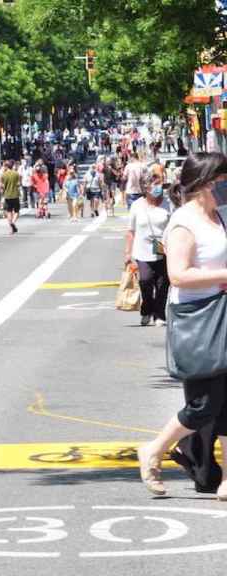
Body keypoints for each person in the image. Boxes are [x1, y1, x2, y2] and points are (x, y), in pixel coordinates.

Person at [137, 152, 227, 498]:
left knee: (226, 401)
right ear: (205, 183)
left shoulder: (217, 215)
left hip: (221, 311)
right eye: (221, 180)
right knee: (204, 403)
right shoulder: (184, 221)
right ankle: (155, 450)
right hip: (198, 319)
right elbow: (178, 275)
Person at [124, 164, 172, 327]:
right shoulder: (137, 205)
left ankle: (160, 314)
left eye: (160, 184)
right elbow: (130, 231)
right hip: (142, 250)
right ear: (146, 187)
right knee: (145, 281)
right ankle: (147, 309)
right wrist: (128, 253)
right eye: (154, 185)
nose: (158, 188)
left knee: (162, 283)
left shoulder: (167, 203)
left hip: (163, 248)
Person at [0, 160, 21, 234]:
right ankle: (13, 222)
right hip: (15, 195)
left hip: (7, 195)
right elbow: (18, 184)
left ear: (6, 166)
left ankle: (11, 226)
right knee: (17, 211)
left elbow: (1, 186)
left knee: (8, 211)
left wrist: (2, 194)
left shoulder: (3, 175)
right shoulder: (16, 174)